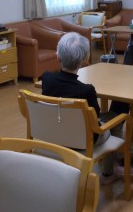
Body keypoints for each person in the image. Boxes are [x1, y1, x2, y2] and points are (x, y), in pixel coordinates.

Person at [41, 32, 119, 183]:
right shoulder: (87, 90)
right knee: (114, 117)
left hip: (53, 133)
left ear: (58, 57)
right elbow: (96, 120)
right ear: (85, 60)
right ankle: (108, 172)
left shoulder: (47, 78)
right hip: (84, 140)